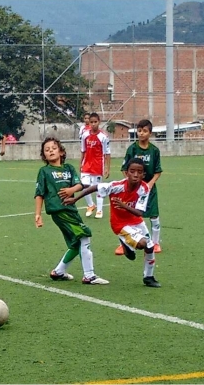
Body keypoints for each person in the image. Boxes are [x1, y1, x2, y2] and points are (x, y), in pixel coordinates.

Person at [63, 158, 161, 288]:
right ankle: (126, 242)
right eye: (132, 171)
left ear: (143, 175)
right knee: (142, 244)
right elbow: (94, 187)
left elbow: (139, 213)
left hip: (136, 221)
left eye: (139, 172)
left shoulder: (144, 189)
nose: (136, 175)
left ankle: (148, 277)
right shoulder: (116, 186)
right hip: (120, 224)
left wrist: (123, 205)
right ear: (126, 173)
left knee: (150, 247)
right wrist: (75, 199)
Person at [35, 137, 109, 285]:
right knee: (84, 234)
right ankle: (89, 275)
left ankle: (58, 272)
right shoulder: (44, 171)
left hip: (71, 210)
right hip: (59, 211)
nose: (50, 151)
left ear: (61, 151)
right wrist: (38, 214)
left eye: (54, 148)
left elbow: (80, 185)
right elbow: (39, 193)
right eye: (47, 150)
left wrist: (71, 190)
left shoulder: (69, 168)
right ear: (44, 156)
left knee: (76, 244)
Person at [115, 119, 163, 255]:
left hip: (149, 189)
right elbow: (124, 168)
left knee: (154, 215)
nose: (141, 133)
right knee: (128, 216)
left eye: (145, 131)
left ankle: (155, 243)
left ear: (150, 133)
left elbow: (158, 171)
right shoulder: (132, 149)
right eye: (139, 130)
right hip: (134, 190)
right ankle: (124, 243)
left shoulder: (154, 150)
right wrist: (130, 182)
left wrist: (150, 184)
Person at [80, 112, 110, 219]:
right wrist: (81, 163)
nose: (93, 124)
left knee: (97, 188)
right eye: (91, 122)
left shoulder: (103, 136)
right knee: (84, 186)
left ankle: (100, 210)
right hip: (86, 165)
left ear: (99, 122)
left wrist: (107, 168)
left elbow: (107, 153)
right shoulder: (85, 135)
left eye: (95, 122)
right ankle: (91, 205)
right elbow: (83, 150)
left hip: (98, 165)